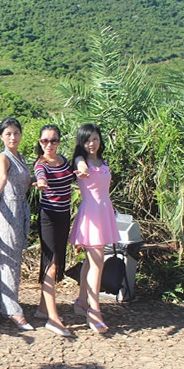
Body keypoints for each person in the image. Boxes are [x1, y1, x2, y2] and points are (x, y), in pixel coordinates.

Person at [68, 123, 119, 334]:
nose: (92, 143)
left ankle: (82, 301)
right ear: (81, 142)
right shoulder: (81, 160)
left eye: (95, 139)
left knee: (91, 261)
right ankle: (94, 310)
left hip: (104, 211)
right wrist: (82, 170)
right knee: (97, 262)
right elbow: (81, 167)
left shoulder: (103, 161)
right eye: (87, 140)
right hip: (91, 214)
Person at [0, 117, 34, 331]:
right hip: (8, 209)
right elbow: (2, 178)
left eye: (16, 133)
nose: (13, 137)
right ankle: (13, 309)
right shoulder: (3, 157)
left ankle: (1, 302)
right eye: (8, 134)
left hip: (21, 209)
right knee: (10, 260)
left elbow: (23, 181)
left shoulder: (20, 157)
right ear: (1, 137)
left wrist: (36, 182)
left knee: (11, 258)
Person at [34, 125, 75, 337]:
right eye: (45, 141)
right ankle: (53, 318)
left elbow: (73, 176)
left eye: (53, 140)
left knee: (57, 262)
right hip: (48, 217)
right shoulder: (41, 164)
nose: (49, 145)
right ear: (40, 142)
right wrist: (41, 182)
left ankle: (43, 309)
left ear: (59, 141)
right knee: (50, 264)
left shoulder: (64, 161)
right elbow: (40, 175)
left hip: (64, 216)